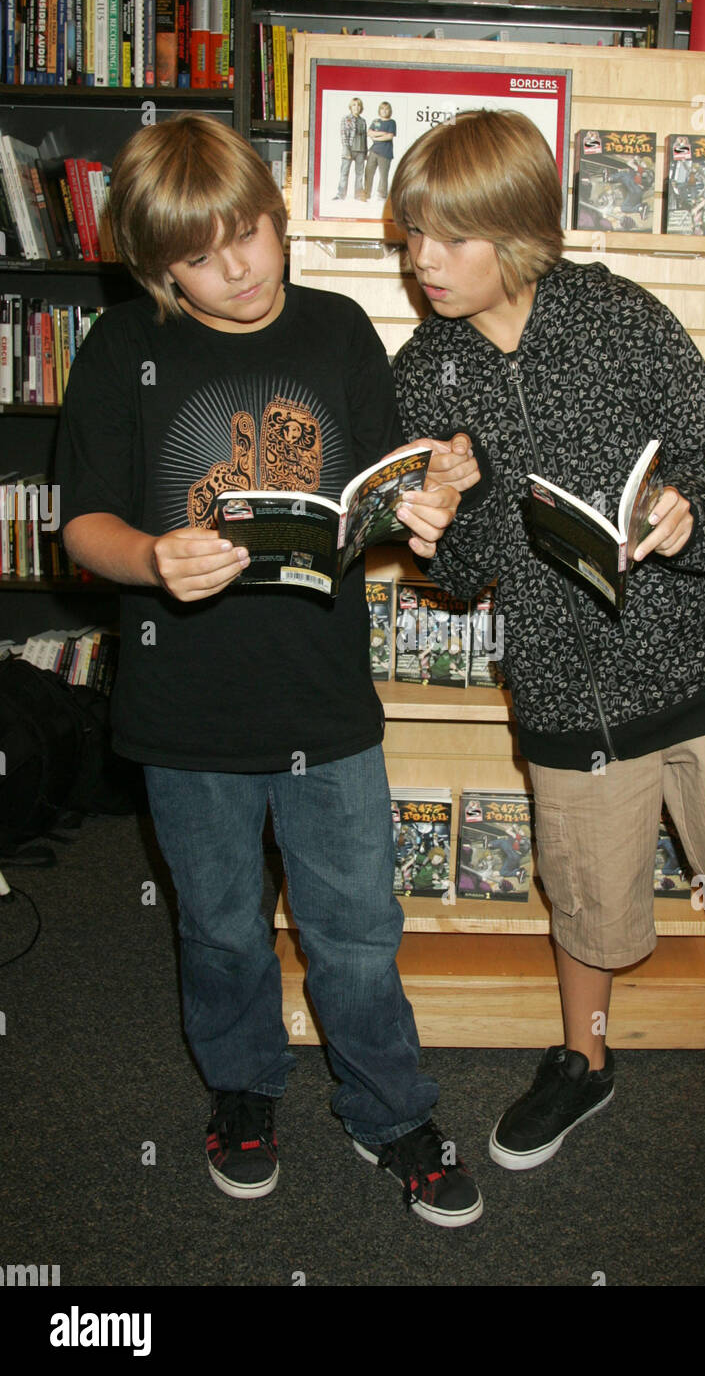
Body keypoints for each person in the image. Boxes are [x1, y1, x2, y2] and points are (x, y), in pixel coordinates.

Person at [389, 109, 705, 1209]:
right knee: (588, 898)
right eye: (410, 238)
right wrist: (446, 518)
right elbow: (467, 576)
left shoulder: (618, 315)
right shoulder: (425, 373)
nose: (421, 262)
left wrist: (694, 510)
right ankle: (584, 1059)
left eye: (447, 237)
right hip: (564, 686)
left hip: (703, 668)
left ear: (514, 228)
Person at [54, 113, 483, 1228]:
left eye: (249, 233)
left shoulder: (340, 330)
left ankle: (389, 1107)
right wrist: (149, 556)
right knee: (221, 924)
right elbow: (81, 529)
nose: (237, 268)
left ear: (277, 216)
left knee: (355, 926)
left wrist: (424, 503)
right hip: (185, 708)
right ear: (155, 268)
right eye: (199, 256)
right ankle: (244, 1089)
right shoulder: (119, 352)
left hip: (324, 700)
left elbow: (378, 504)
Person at [333, 97, 367, 201]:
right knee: (344, 172)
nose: (356, 107)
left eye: (358, 105)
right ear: (350, 107)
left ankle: (358, 195)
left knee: (360, 174)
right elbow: (344, 136)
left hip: (360, 150)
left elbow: (365, 137)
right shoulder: (346, 119)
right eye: (354, 105)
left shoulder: (363, 121)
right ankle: (340, 195)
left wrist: (366, 152)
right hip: (349, 149)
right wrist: (346, 150)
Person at [363, 101, 397, 203]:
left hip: (385, 153)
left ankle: (382, 195)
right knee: (368, 172)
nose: (384, 111)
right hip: (373, 151)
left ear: (389, 110)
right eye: (382, 109)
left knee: (383, 175)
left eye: (386, 109)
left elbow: (389, 136)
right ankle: (366, 193)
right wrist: (382, 133)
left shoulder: (391, 122)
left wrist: (376, 137)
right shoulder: (376, 121)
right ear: (379, 110)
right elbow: (369, 133)